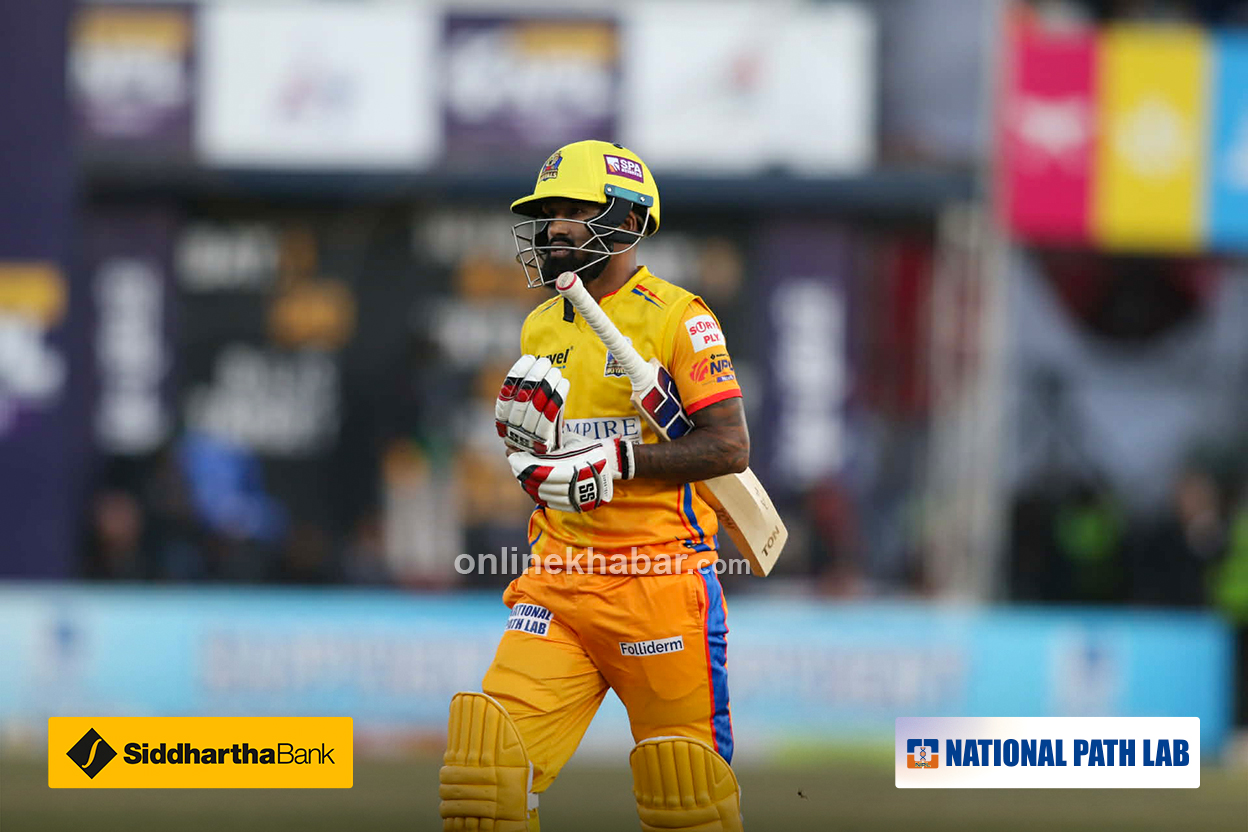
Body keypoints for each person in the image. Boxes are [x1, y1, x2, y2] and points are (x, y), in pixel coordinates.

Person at [439, 140, 748, 831]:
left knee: (688, 802)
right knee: (483, 778)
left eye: (574, 211)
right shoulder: (540, 324)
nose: (554, 227)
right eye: (548, 212)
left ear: (628, 221)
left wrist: (620, 460)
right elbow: (558, 466)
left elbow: (729, 447)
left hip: (659, 584)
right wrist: (529, 457)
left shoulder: (679, 317)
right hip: (557, 583)